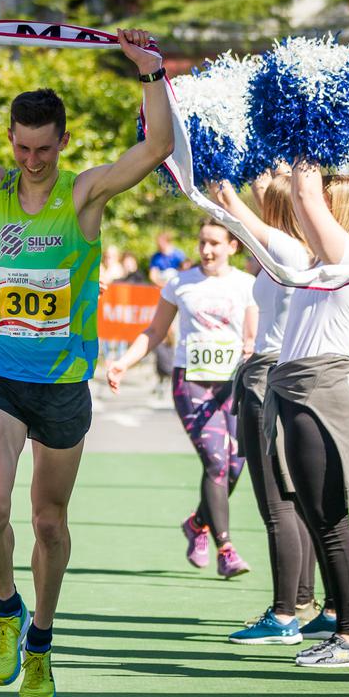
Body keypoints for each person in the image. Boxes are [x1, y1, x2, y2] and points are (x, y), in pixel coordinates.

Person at [0, 14, 174, 697]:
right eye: (21, 147)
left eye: (43, 148)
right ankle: (6, 607)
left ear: (63, 141)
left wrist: (151, 71)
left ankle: (42, 641)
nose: (32, 160)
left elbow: (159, 145)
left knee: (48, 522)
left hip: (62, 387)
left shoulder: (85, 193)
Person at [263, 162, 349, 668]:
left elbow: (307, 199)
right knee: (318, 517)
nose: (308, 211)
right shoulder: (321, 263)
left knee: (330, 521)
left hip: (320, 395)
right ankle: (344, 632)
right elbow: (297, 204)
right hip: (296, 391)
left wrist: (305, 136)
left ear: (343, 211)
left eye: (322, 204)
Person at [208, 174, 338, 645]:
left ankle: (284, 615)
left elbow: (229, 208)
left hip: (269, 372)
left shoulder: (287, 248)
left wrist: (216, 172)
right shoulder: (295, 250)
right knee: (294, 502)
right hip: (272, 370)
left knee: (277, 505)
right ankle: (300, 601)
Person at [107, 220, 256, 577]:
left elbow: (252, 336)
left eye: (215, 244)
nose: (206, 250)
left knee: (236, 466)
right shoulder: (180, 283)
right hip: (191, 382)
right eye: (202, 242)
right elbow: (155, 330)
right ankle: (226, 549)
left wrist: (251, 350)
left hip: (232, 384)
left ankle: (196, 524)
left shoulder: (248, 285)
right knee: (217, 462)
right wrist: (123, 363)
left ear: (233, 246)